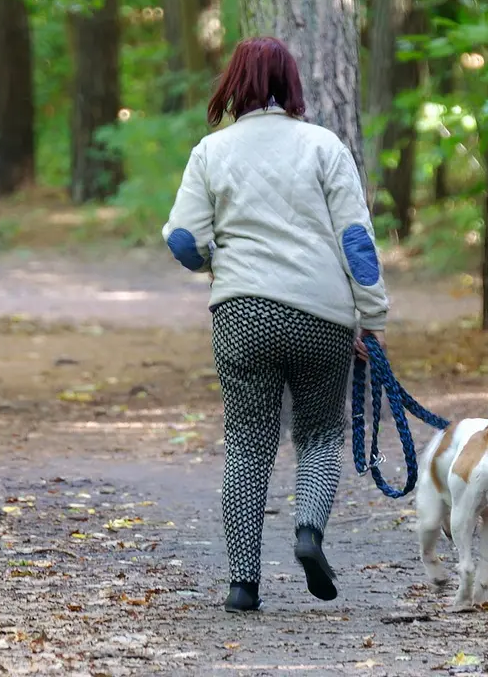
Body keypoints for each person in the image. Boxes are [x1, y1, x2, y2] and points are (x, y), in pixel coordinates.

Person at [161, 36, 390, 613]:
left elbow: (183, 240)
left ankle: (243, 584)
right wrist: (372, 317)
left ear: (233, 85)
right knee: (319, 435)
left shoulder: (211, 152)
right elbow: (356, 240)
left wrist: (215, 262)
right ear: (292, 84)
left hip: (243, 313)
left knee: (246, 444)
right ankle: (309, 529)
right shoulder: (324, 146)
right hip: (321, 315)